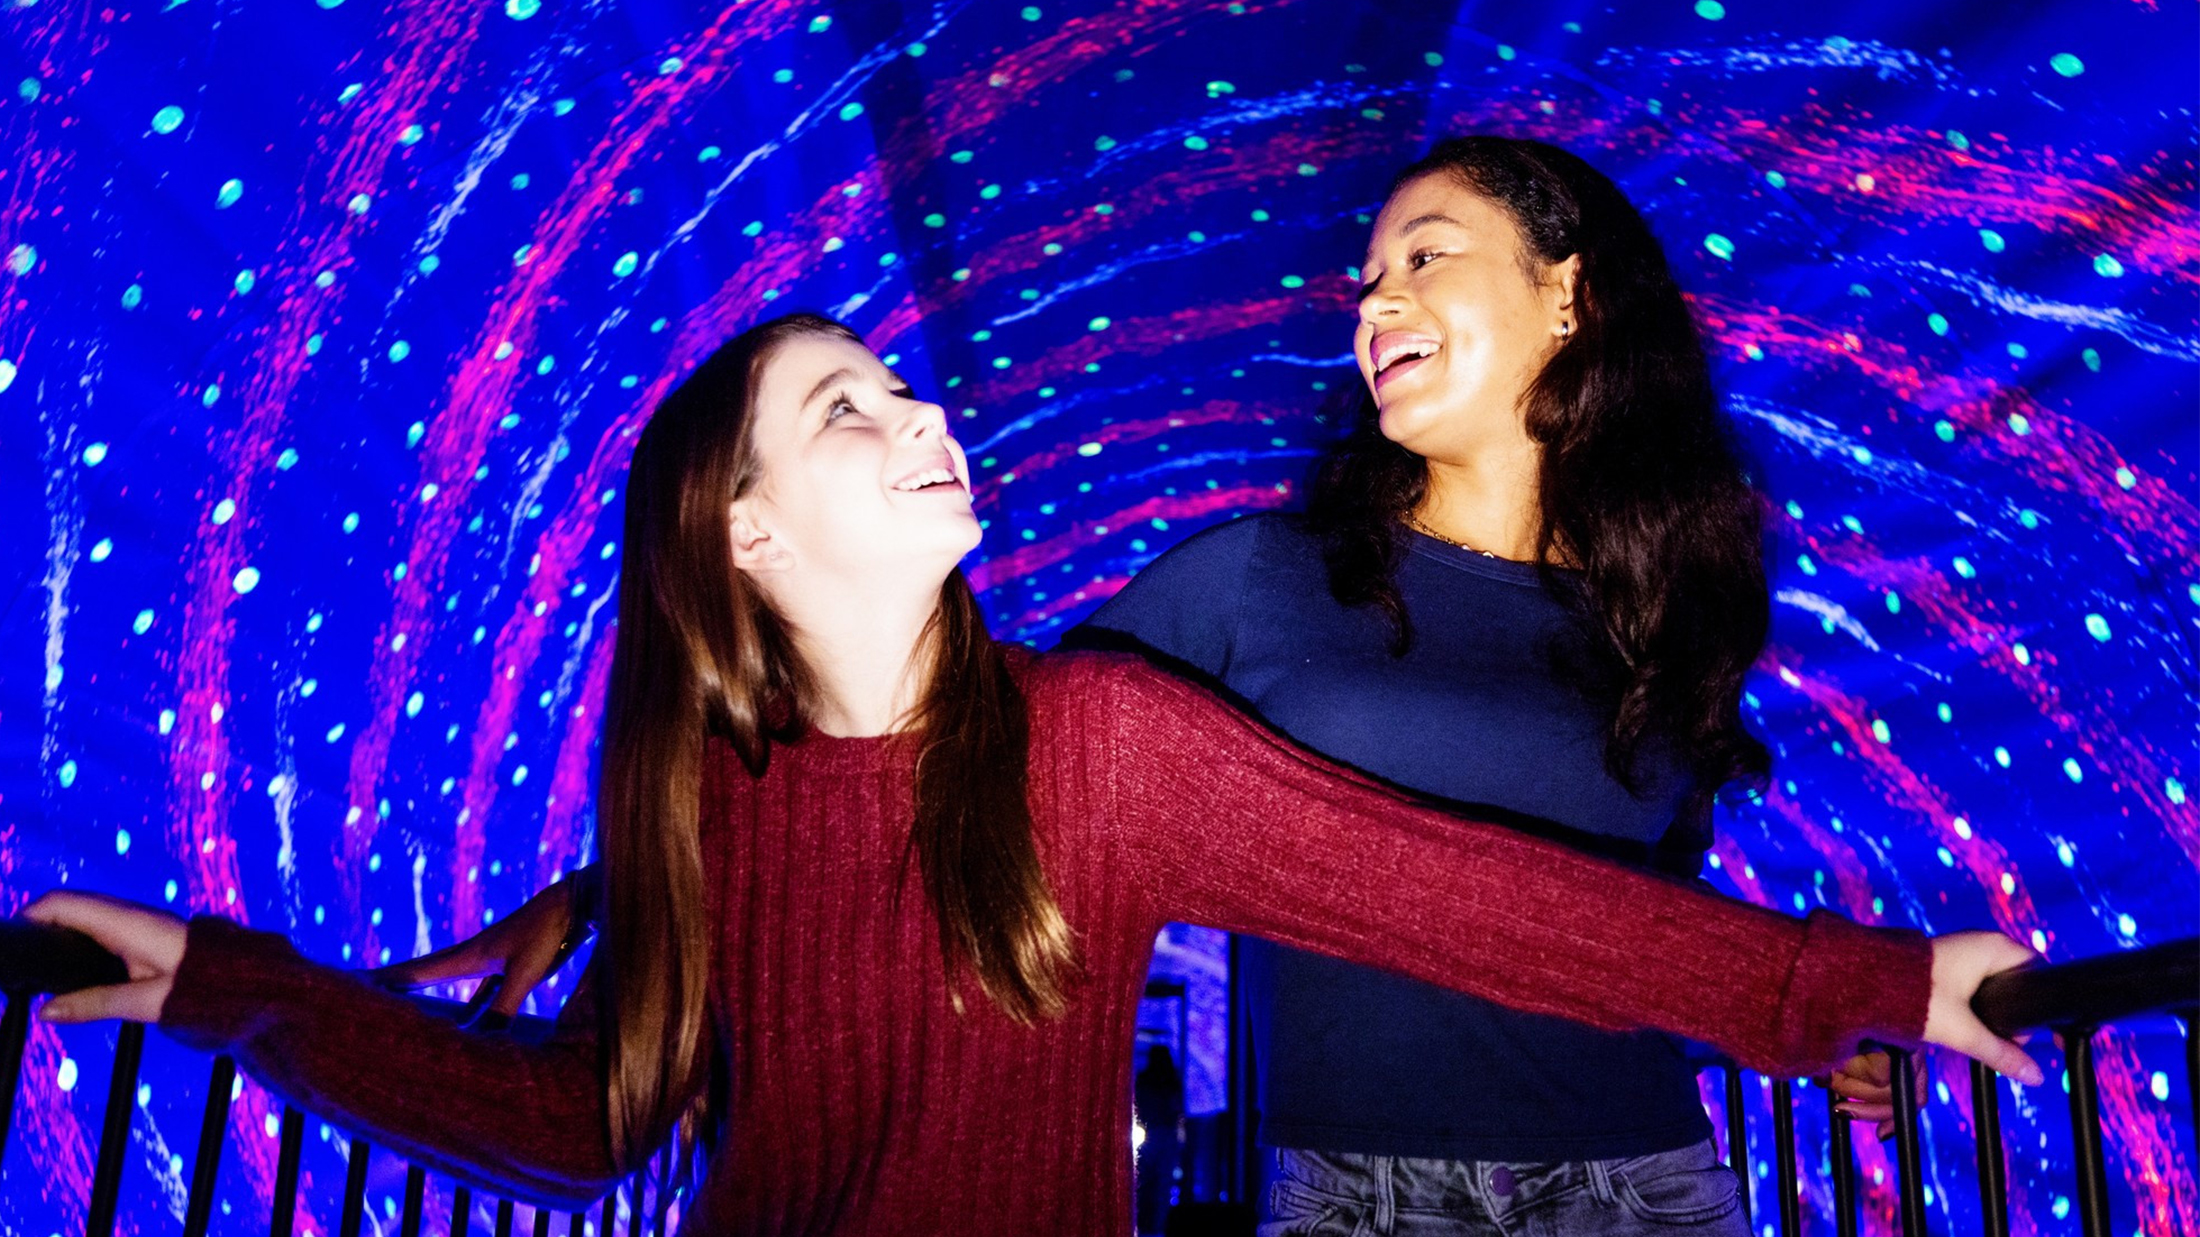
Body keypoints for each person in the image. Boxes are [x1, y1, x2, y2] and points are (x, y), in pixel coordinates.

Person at [30, 312, 2039, 1236]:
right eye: (841, 407)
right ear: (738, 529)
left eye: (899, 384)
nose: (911, 414)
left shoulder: (1095, 744)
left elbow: (1466, 897)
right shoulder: (709, 810)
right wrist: (232, 985)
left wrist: (1857, 987)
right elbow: (580, 1123)